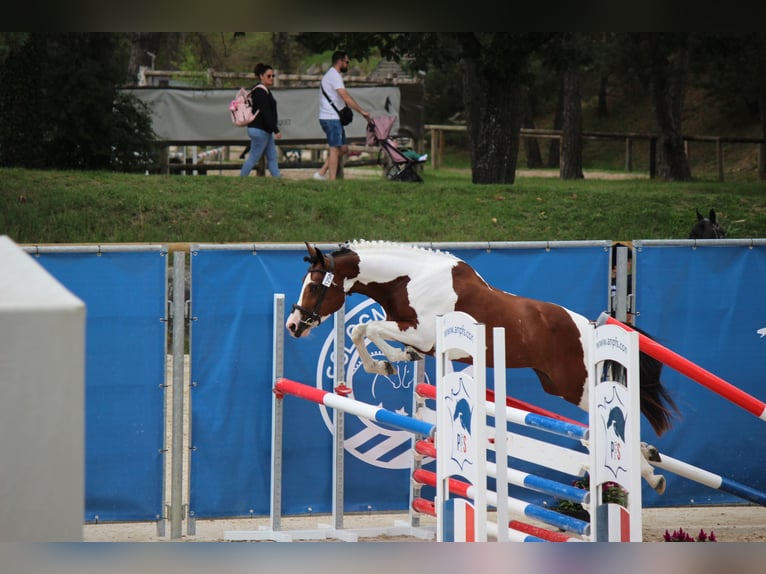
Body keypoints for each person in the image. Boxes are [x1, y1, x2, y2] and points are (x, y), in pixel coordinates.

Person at [313, 51, 371, 181]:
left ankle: (321, 173)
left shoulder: (332, 75)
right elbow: (345, 96)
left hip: (333, 118)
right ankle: (332, 181)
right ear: (340, 61)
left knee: (343, 148)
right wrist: (361, 111)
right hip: (331, 118)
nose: (347, 64)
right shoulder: (334, 76)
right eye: (346, 62)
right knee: (334, 148)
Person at [240, 63, 281, 177]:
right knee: (253, 157)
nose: (272, 78)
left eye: (273, 76)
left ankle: (278, 181)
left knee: (272, 157)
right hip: (260, 129)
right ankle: (241, 179)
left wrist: (272, 129)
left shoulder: (263, 91)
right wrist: (276, 130)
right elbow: (266, 113)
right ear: (261, 76)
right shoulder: (261, 92)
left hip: (264, 130)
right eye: (269, 76)